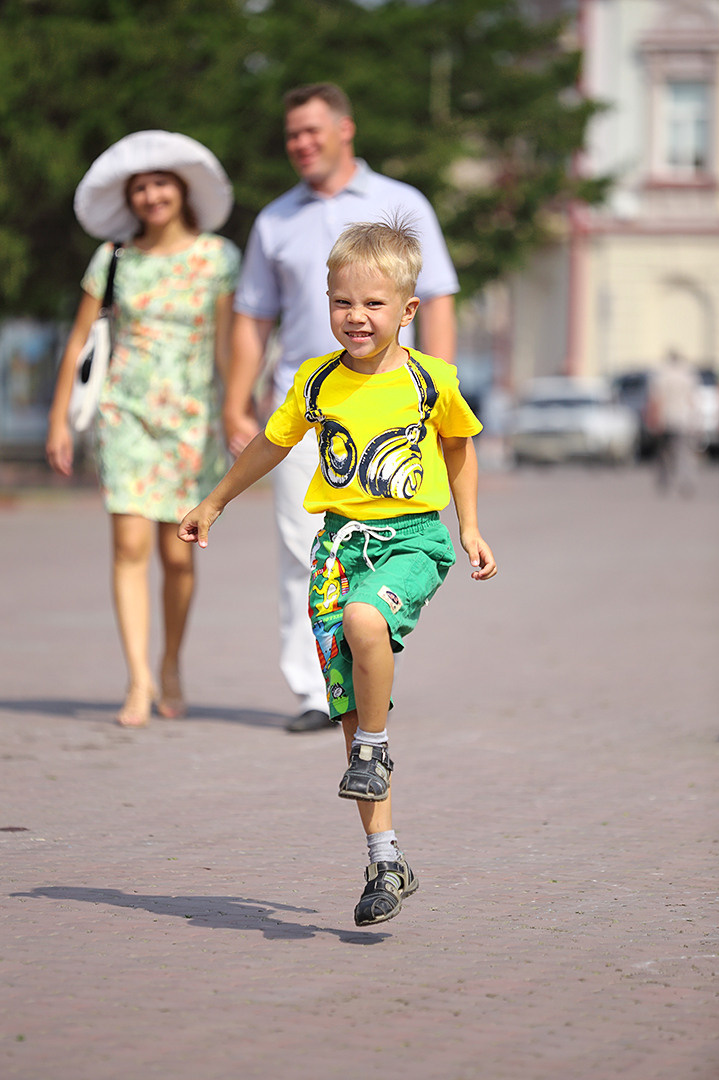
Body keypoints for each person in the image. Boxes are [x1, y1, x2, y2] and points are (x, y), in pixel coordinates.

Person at [178, 218, 497, 927]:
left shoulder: (429, 379)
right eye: (342, 302)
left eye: (374, 304)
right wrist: (214, 500)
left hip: (412, 540)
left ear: (408, 311)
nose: (356, 317)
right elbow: (271, 441)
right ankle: (387, 861)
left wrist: (469, 527)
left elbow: (459, 446)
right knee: (350, 716)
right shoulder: (316, 379)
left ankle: (379, 749)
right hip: (337, 550)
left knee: (365, 621)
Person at [224, 82, 459, 733]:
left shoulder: (401, 202)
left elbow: (436, 298)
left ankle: (371, 657)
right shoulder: (275, 220)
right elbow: (252, 316)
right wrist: (236, 402)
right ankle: (313, 690)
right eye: (291, 134)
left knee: (384, 551)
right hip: (307, 407)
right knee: (305, 548)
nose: (300, 143)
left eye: (311, 131)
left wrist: (436, 399)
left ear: (344, 130)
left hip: (391, 408)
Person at [46, 130, 241, 727]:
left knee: (177, 557)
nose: (152, 195)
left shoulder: (217, 257)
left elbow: (230, 343)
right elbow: (80, 339)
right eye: (140, 188)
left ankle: (173, 661)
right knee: (129, 546)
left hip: (192, 419)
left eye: (160, 183)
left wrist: (237, 409)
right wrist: (59, 419)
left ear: (182, 190)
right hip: (124, 414)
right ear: (129, 199)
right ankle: (138, 681)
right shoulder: (114, 259)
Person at [647, 349, 701, 496]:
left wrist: (653, 420)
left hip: (666, 420)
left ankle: (664, 482)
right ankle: (687, 481)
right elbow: (692, 400)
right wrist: (695, 421)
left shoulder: (662, 376)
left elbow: (657, 400)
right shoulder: (688, 376)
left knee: (664, 453)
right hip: (683, 420)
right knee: (684, 453)